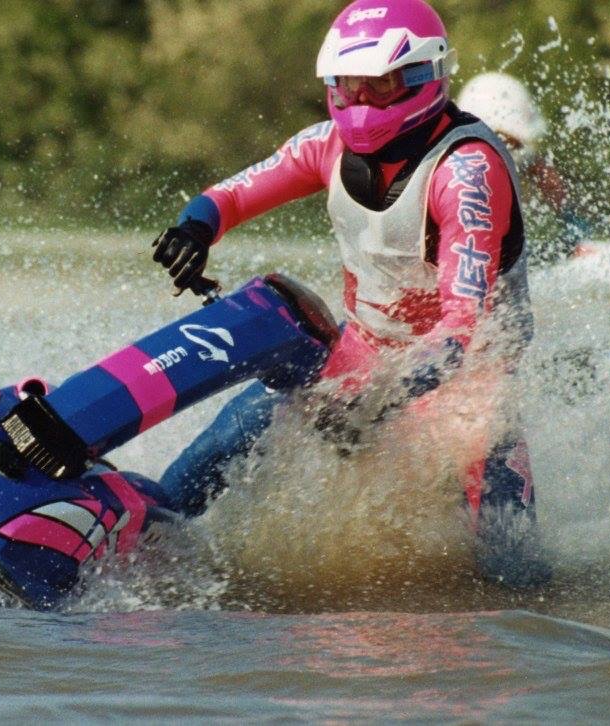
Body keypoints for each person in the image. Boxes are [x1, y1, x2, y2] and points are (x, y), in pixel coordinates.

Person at [151, 0, 549, 587]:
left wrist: (385, 397)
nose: (360, 103)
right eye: (348, 85)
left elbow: (461, 330)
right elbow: (229, 197)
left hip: (470, 379)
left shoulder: (467, 172)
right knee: (242, 426)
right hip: (364, 350)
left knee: (513, 571)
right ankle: (143, 532)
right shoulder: (326, 145)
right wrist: (194, 230)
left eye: (379, 85)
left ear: (424, 76)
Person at [457, 71, 590, 264]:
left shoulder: (532, 165)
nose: (505, 154)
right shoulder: (460, 180)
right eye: (502, 141)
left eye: (512, 144)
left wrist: (574, 225)